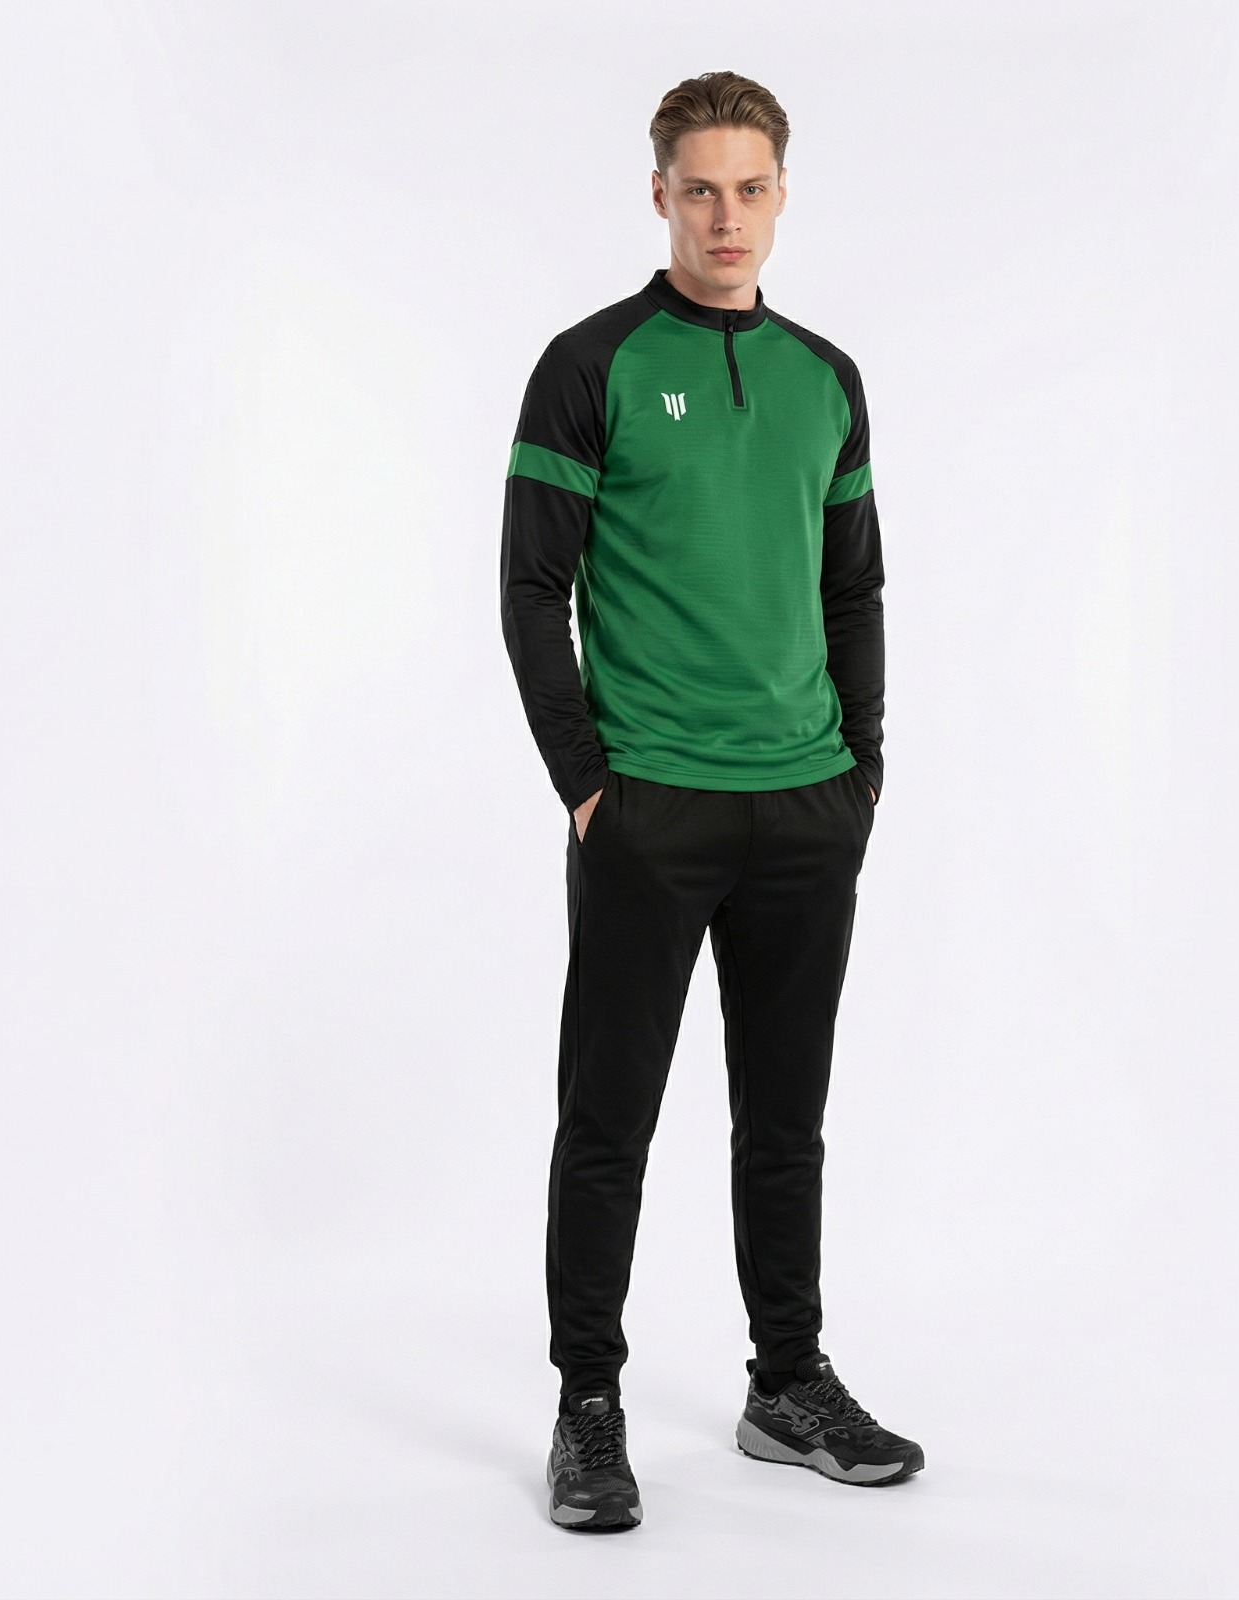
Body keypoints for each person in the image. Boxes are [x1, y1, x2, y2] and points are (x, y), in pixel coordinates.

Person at [500, 69, 923, 1533]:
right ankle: (588, 1404)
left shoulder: (826, 377)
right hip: (652, 810)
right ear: (660, 194)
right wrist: (587, 785)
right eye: (699, 189)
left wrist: (862, 766)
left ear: (782, 194)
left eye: (750, 188)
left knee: (786, 1120)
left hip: (806, 809)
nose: (725, 216)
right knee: (608, 1120)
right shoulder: (591, 364)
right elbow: (531, 588)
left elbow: (855, 587)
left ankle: (787, 1382)